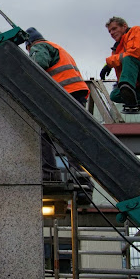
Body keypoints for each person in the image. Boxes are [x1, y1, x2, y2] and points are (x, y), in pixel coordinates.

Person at [24, 27, 90, 180]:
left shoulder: (38, 46)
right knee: (73, 137)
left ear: (29, 44)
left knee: (44, 133)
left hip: (63, 94)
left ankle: (49, 174)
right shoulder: (57, 47)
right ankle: (82, 178)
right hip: (77, 93)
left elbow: (39, 64)